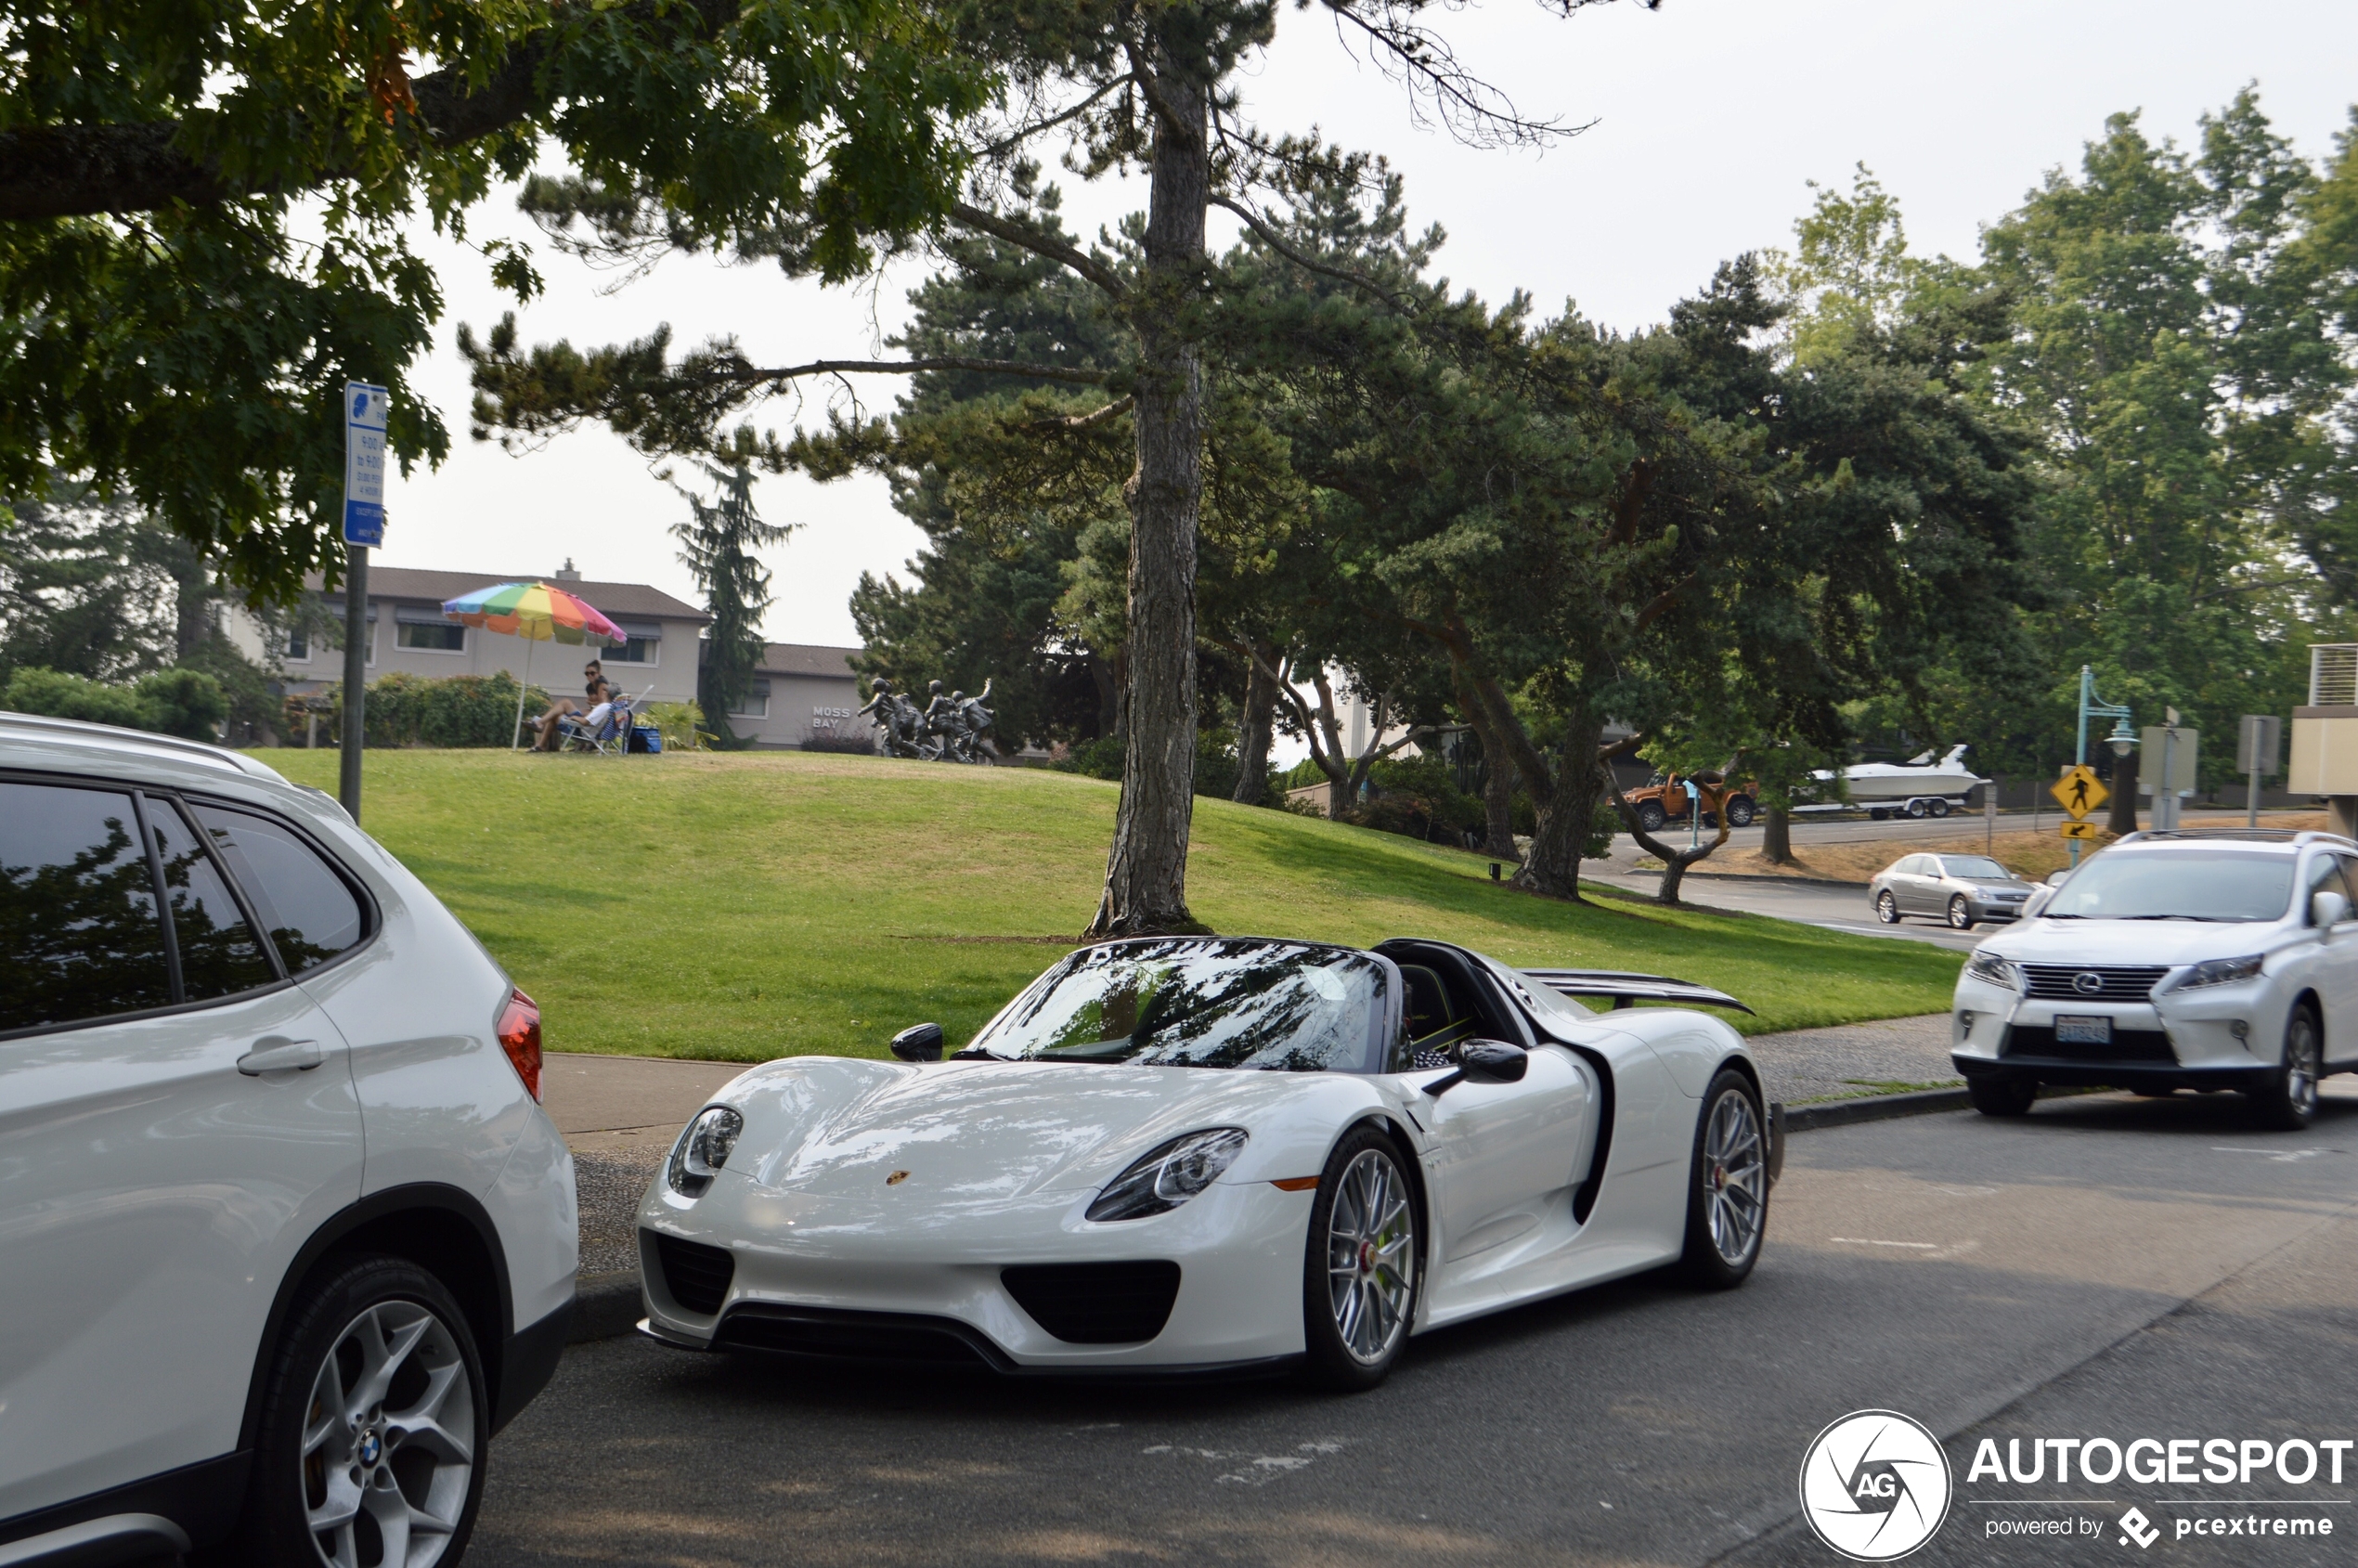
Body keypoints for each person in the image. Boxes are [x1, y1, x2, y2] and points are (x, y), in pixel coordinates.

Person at [534, 659, 607, 750]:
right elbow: (595, 706)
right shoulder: (589, 687)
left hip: (594, 721)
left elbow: (602, 704)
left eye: (592, 673)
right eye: (587, 673)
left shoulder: (602, 683)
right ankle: (541, 744)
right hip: (591, 719)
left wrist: (590, 702)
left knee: (565, 702)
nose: (589, 676)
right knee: (557, 713)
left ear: (599, 673)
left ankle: (540, 723)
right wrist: (591, 704)